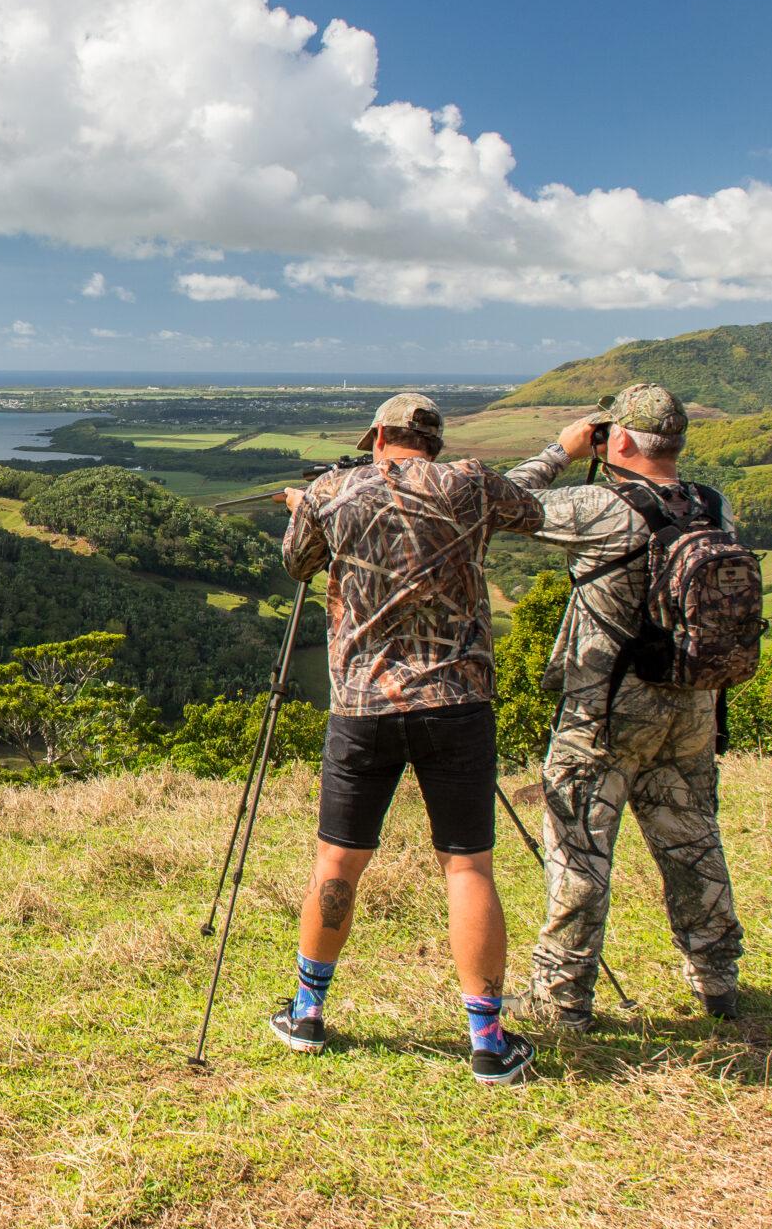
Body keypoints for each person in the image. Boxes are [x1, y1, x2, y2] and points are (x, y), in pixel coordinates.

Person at [273, 392, 544, 1085]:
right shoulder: (471, 485)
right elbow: (533, 508)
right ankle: (487, 1038)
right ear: (435, 440)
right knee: (467, 867)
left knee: (337, 863)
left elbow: (297, 563)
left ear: (377, 436)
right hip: (457, 701)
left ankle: (307, 1011)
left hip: (363, 706)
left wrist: (305, 506)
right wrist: (565, 450)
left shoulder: (334, 492)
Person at [505, 384, 746, 1030]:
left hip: (605, 712)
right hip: (693, 705)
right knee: (693, 839)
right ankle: (717, 977)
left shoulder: (601, 507)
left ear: (626, 441)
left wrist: (562, 448)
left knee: (579, 851)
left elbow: (496, 503)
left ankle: (562, 997)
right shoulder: (713, 506)